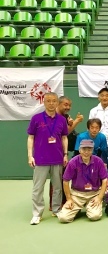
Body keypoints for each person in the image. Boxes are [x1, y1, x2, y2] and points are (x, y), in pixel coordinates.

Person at [27, 92, 69, 225]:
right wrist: (30, 155)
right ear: (44, 102)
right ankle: (37, 213)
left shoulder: (62, 120)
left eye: (54, 101)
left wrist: (66, 154)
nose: (51, 103)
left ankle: (56, 209)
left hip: (57, 158)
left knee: (57, 187)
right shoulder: (36, 118)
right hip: (40, 159)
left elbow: (64, 137)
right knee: (37, 188)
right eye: (48, 101)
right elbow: (30, 137)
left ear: (57, 103)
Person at [57, 139, 108, 223]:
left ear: (92, 150)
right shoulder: (73, 162)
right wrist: (69, 199)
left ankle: (90, 207)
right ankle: (77, 209)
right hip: (77, 195)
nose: (86, 152)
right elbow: (65, 181)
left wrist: (99, 197)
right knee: (63, 218)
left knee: (95, 216)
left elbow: (105, 180)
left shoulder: (98, 161)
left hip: (93, 194)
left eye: (89, 150)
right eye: (84, 149)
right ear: (80, 150)